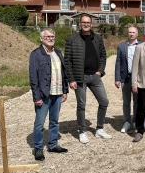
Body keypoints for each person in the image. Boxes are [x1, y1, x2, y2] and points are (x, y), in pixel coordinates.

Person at [64, 14, 111, 144]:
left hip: (95, 76)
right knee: (81, 105)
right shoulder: (72, 39)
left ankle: (100, 129)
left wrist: (100, 71)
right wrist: (71, 79)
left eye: (88, 22)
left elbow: (103, 56)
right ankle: (82, 131)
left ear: (91, 24)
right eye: (83, 22)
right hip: (80, 78)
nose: (86, 24)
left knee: (104, 101)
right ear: (80, 24)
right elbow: (67, 61)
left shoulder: (97, 38)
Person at [29, 28, 68, 161]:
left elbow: (63, 72)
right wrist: (36, 96)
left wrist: (65, 90)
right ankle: (38, 148)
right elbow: (33, 77)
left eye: (52, 36)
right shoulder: (36, 54)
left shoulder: (57, 52)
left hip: (57, 92)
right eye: (48, 37)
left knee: (54, 121)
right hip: (44, 94)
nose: (51, 38)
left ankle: (53, 144)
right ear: (41, 39)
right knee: (39, 123)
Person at [115, 26, 140, 133]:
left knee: (137, 101)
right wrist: (117, 78)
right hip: (125, 77)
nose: (131, 34)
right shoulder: (121, 46)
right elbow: (118, 63)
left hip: (138, 79)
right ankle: (127, 121)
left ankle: (135, 121)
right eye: (129, 32)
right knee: (126, 101)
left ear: (137, 34)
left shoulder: (142, 46)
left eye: (133, 32)